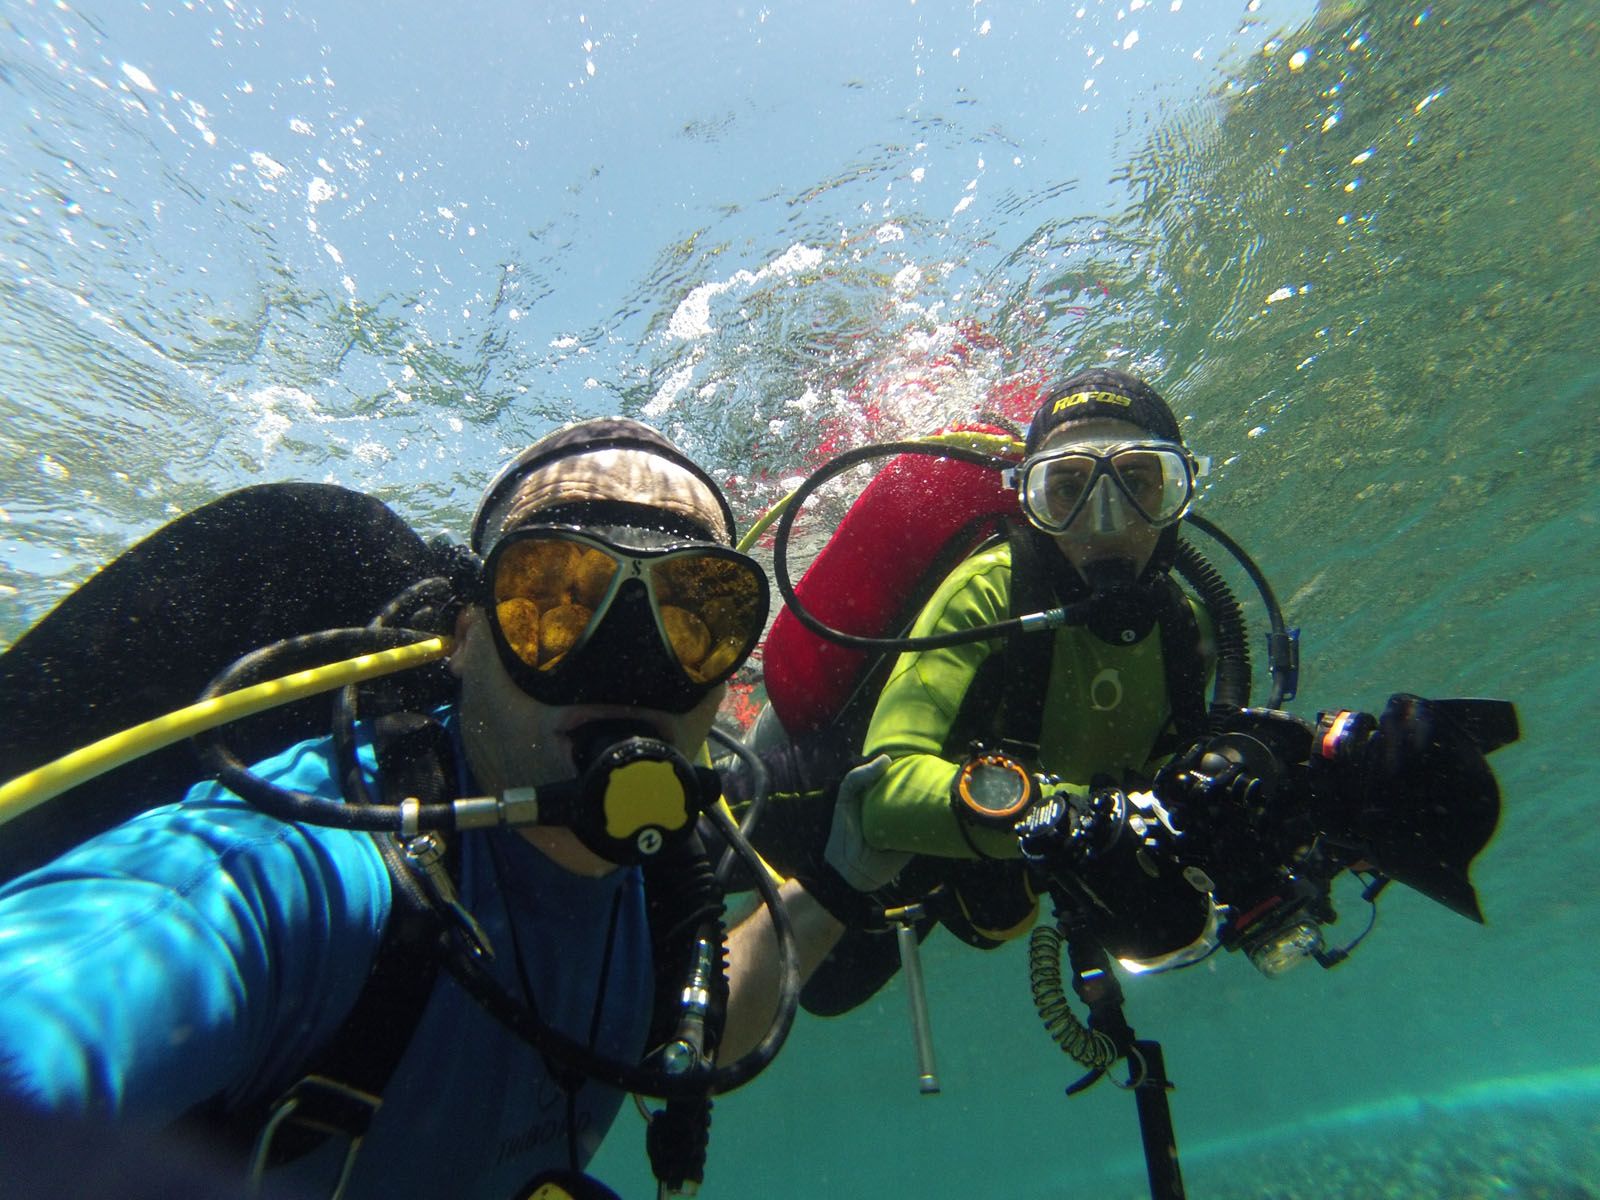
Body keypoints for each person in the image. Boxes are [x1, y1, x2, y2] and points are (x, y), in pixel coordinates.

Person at [0, 417, 842, 1200]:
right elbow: (75, 994)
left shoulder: (670, 875)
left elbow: (694, 1024)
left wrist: (849, 873)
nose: (629, 667)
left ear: (731, 663)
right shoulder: (314, 861)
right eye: (553, 602)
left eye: (692, 613)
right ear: (464, 637)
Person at [728, 367, 1231, 1012]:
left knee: (830, 986)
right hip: (830, 773)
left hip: (961, 844)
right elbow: (883, 796)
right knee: (689, 847)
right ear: (1030, 501)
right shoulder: (993, 589)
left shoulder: (1191, 629)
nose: (1106, 523)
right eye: (1067, 490)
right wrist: (1072, 818)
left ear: (1179, 490)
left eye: (1139, 485)